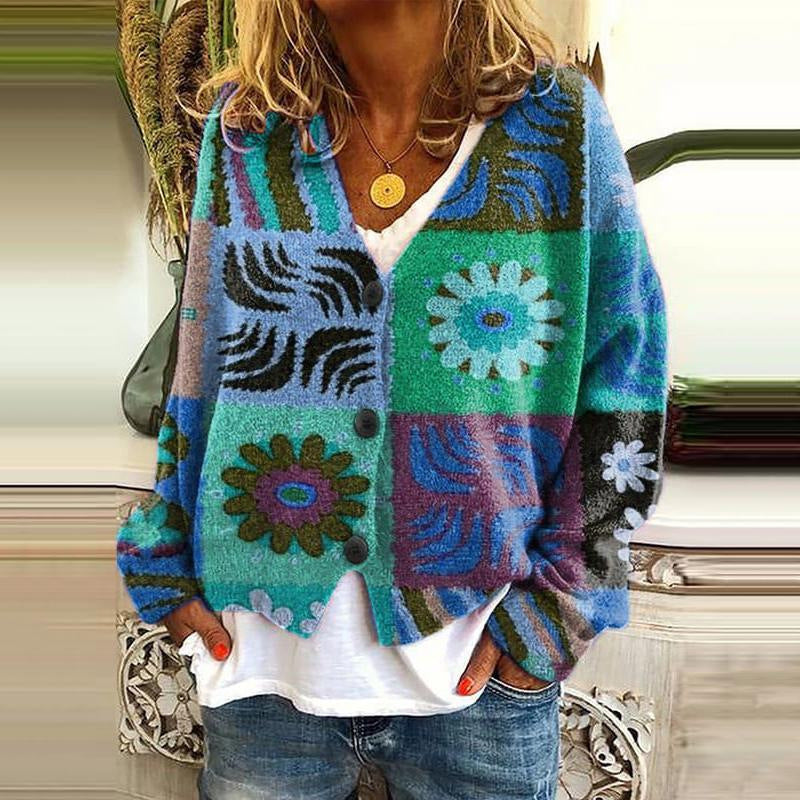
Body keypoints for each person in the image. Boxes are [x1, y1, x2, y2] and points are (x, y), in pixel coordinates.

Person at [116, 1, 670, 798]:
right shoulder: (247, 131)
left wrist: (564, 603)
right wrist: (163, 559)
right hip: (261, 671)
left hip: (478, 678)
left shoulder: (557, 128)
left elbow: (628, 373)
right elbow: (200, 368)